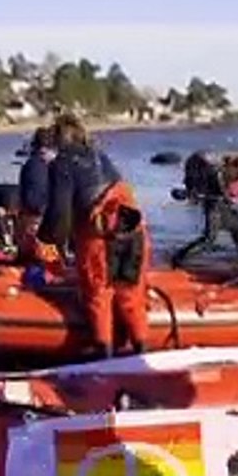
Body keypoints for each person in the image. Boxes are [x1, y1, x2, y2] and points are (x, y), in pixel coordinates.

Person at [34, 113, 151, 359]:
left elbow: (59, 214)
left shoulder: (62, 164)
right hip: (134, 231)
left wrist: (45, 245)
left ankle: (103, 358)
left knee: (99, 296)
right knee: (131, 294)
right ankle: (142, 354)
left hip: (99, 238)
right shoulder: (101, 157)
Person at [170, 150, 238, 266]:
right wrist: (229, 198)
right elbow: (219, 191)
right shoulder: (216, 173)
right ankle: (178, 258)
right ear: (231, 167)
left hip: (218, 202)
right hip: (214, 206)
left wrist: (233, 198)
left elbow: (230, 191)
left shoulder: (224, 172)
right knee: (209, 239)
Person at [15, 125, 57, 259]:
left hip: (32, 218)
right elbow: (34, 200)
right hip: (38, 220)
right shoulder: (41, 165)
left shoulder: (32, 164)